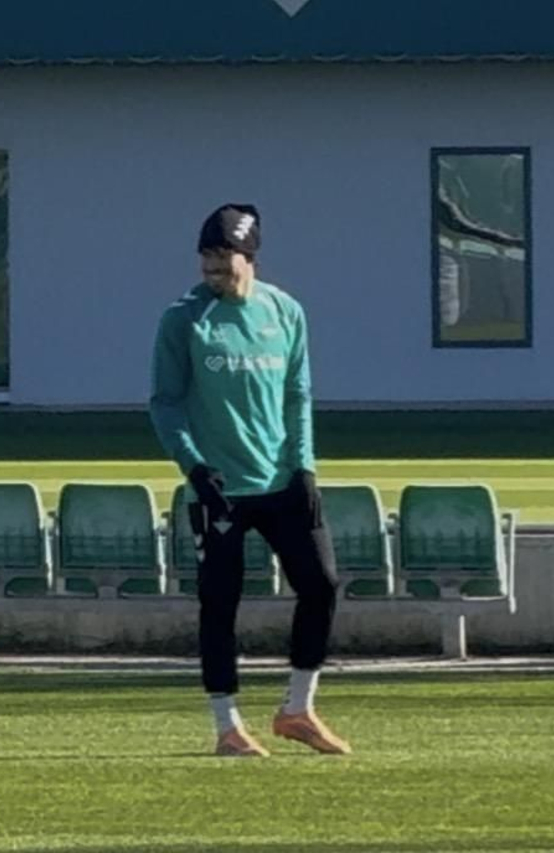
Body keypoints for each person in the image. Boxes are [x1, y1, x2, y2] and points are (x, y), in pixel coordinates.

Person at [149, 203, 350, 757]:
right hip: (220, 488)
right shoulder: (184, 320)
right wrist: (193, 466)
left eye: (223, 257)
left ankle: (298, 708)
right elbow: (165, 404)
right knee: (221, 602)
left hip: (281, 482)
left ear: (249, 256)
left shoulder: (285, 312)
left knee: (321, 584)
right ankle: (227, 726)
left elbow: (297, 394)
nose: (212, 269)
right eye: (206, 257)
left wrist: (304, 467)